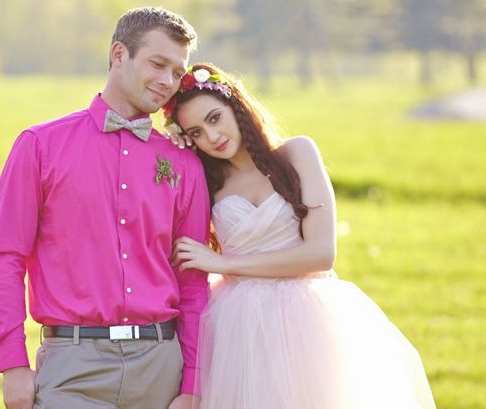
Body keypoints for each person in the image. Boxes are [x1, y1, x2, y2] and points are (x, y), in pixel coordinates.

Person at [164, 63, 436, 409]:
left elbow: (321, 255)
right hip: (238, 324)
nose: (212, 137)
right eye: (197, 132)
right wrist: (171, 150)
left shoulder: (296, 155)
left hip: (306, 317)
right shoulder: (206, 181)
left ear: (235, 106)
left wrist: (224, 263)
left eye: (215, 118)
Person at [0, 7, 211, 409]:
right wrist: (13, 364)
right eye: (157, 64)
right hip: (72, 367)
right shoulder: (39, 146)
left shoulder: (183, 164)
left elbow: (192, 283)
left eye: (177, 72)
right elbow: (3, 259)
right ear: (119, 54)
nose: (167, 82)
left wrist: (191, 383)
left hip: (161, 365)